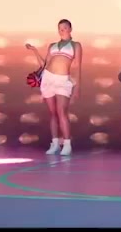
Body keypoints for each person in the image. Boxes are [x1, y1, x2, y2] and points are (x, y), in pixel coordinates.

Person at [24, 19, 82, 155]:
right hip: (48, 78)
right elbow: (44, 64)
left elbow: (78, 67)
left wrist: (77, 87)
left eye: (65, 28)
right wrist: (34, 51)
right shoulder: (52, 46)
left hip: (63, 80)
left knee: (62, 111)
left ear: (70, 29)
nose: (62, 30)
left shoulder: (75, 45)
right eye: (60, 28)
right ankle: (55, 144)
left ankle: (67, 144)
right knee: (53, 113)